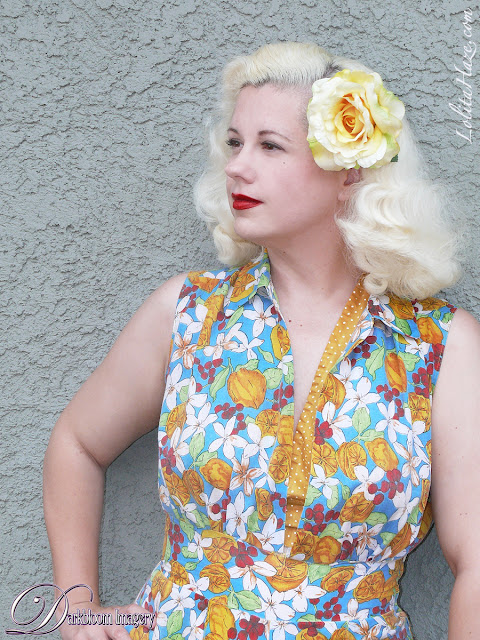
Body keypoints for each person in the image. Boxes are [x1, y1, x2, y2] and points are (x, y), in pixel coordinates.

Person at [43, 42, 480, 640]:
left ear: (349, 172)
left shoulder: (439, 348)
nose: (237, 167)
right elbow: (75, 443)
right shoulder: (188, 314)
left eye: (270, 146)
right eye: (235, 143)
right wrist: (76, 610)